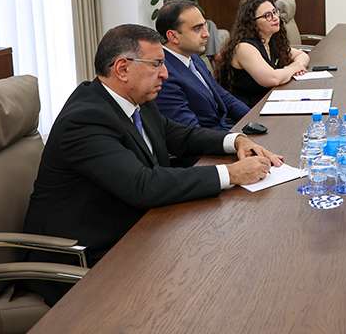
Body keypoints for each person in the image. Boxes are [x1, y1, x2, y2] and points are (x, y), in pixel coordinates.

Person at [23, 24, 283, 304]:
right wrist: (231, 174)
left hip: (138, 231)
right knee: (206, 287)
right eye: (157, 64)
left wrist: (236, 141)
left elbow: (180, 135)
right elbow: (142, 185)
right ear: (122, 69)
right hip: (87, 256)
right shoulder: (85, 119)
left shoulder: (136, 99)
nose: (166, 73)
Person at [154, 0, 249, 131]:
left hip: (228, 128)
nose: (206, 34)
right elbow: (191, 132)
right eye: (197, 28)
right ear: (173, 36)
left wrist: (251, 118)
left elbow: (223, 96)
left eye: (205, 26)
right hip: (211, 138)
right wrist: (236, 139)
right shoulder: (164, 74)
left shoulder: (193, 57)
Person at [215, 0, 310, 107]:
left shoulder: (271, 40)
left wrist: (297, 66)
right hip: (248, 111)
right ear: (252, 22)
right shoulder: (244, 47)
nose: (275, 17)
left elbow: (302, 55)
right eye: (267, 15)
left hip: (267, 101)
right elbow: (273, 79)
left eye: (275, 12)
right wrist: (294, 68)